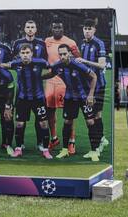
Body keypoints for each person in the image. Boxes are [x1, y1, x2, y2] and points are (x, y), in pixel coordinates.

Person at [43, 44, 100, 161]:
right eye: (61, 54)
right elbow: (52, 73)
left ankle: (94, 151)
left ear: (69, 53)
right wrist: (40, 77)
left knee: (90, 121)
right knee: (67, 121)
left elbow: (94, 76)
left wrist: (90, 95)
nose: (63, 56)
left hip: (84, 96)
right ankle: (64, 149)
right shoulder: (57, 65)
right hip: (69, 97)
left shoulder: (77, 64)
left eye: (65, 54)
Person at [3, 43, 52, 159]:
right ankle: (18, 148)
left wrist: (44, 77)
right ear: (19, 54)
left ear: (32, 54)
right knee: (19, 124)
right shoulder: (16, 64)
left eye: (27, 53)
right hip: (22, 99)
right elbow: (5, 65)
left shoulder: (40, 62)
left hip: (38, 98)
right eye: (23, 53)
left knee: (43, 123)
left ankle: (45, 150)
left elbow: (53, 68)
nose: (25, 55)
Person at [44, 19, 80, 154]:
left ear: (63, 29)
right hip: (50, 81)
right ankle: (53, 138)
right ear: (51, 29)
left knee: (69, 113)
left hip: (65, 81)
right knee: (50, 110)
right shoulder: (47, 41)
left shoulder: (70, 43)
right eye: (55, 28)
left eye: (60, 27)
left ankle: (71, 141)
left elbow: (77, 59)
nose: (57, 30)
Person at [12, 20, 48, 151]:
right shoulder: (17, 43)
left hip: (37, 85)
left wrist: (42, 76)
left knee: (40, 119)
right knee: (21, 119)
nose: (30, 29)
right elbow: (13, 61)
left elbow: (46, 63)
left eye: (32, 27)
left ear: (36, 29)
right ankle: (19, 145)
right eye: (28, 27)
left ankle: (40, 143)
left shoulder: (41, 44)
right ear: (24, 29)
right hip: (22, 85)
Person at [76, 18, 109, 153]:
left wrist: (84, 61)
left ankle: (100, 141)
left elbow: (102, 65)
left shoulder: (99, 43)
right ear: (83, 30)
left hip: (99, 84)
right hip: (87, 86)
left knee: (97, 115)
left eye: (90, 29)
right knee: (93, 115)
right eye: (85, 29)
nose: (87, 31)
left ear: (94, 30)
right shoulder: (82, 44)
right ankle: (101, 140)